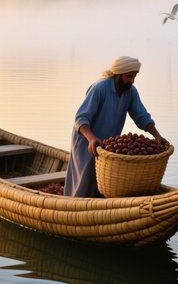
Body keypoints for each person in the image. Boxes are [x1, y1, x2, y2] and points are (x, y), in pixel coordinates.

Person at [63, 56, 169, 198]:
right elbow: (81, 118)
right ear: (118, 75)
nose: (132, 80)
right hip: (87, 140)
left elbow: (141, 116)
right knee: (84, 180)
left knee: (104, 182)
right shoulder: (99, 88)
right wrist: (92, 138)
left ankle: (100, 211)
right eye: (129, 76)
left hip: (106, 146)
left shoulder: (131, 92)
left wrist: (157, 136)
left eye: (134, 76)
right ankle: (74, 209)